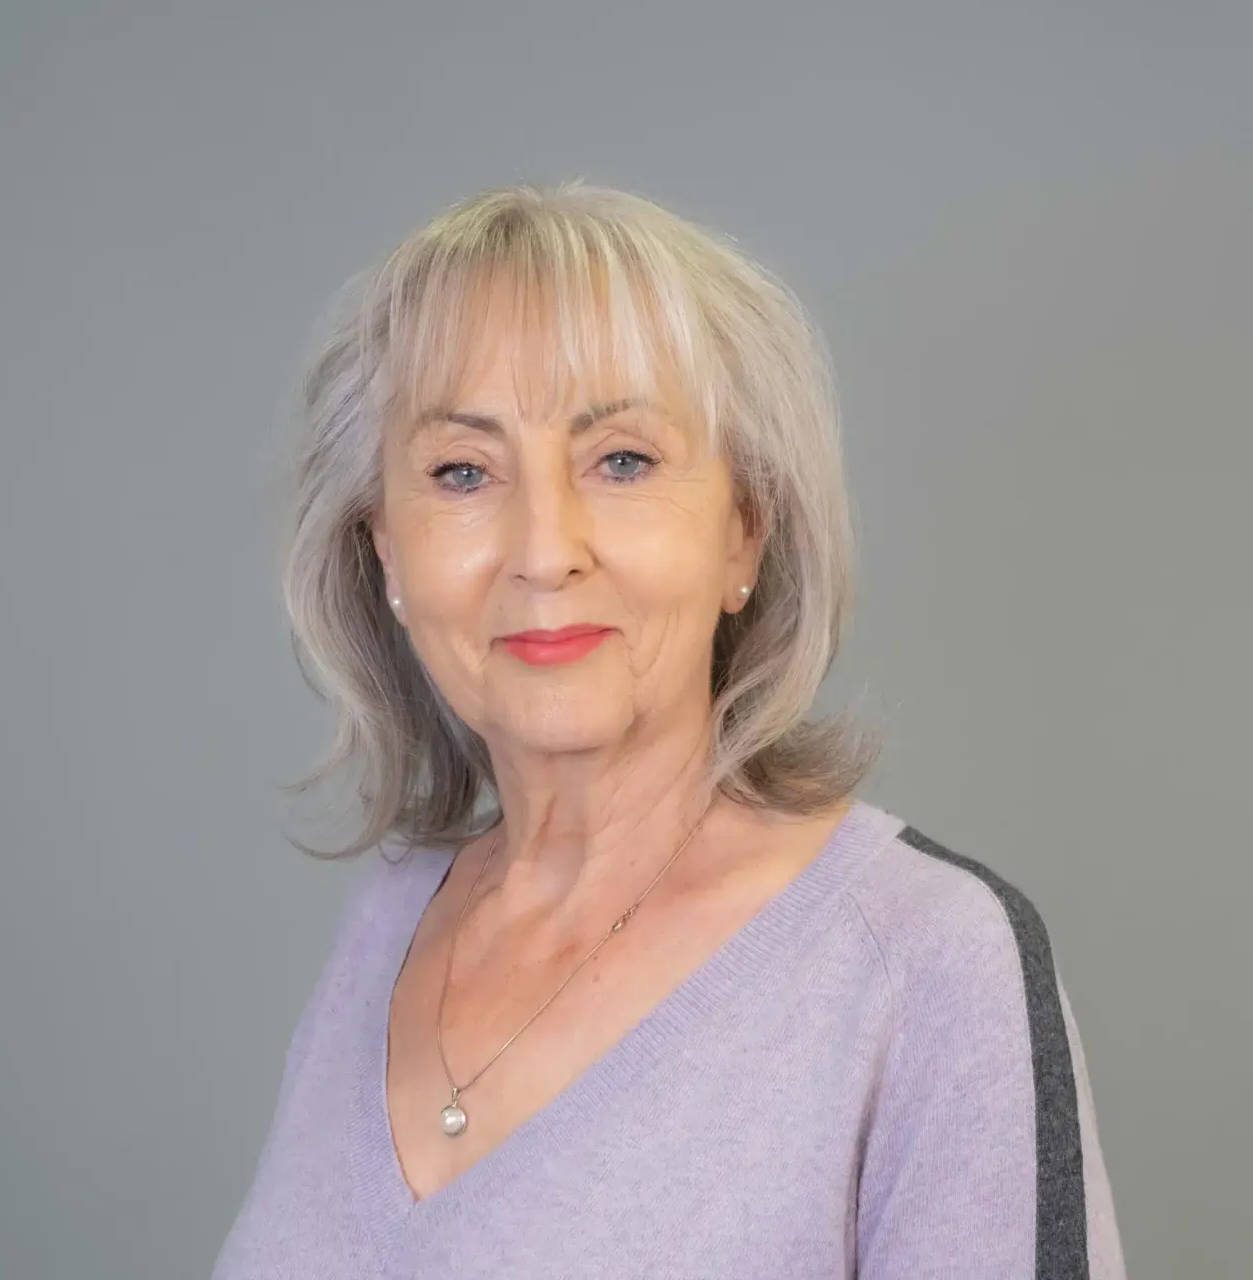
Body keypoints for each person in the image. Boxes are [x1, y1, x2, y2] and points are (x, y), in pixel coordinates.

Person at [212, 181, 1126, 1278]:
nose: (543, 549)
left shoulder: (921, 965)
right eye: (462, 470)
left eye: (622, 461)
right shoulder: (387, 919)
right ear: (385, 552)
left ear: (744, 530)